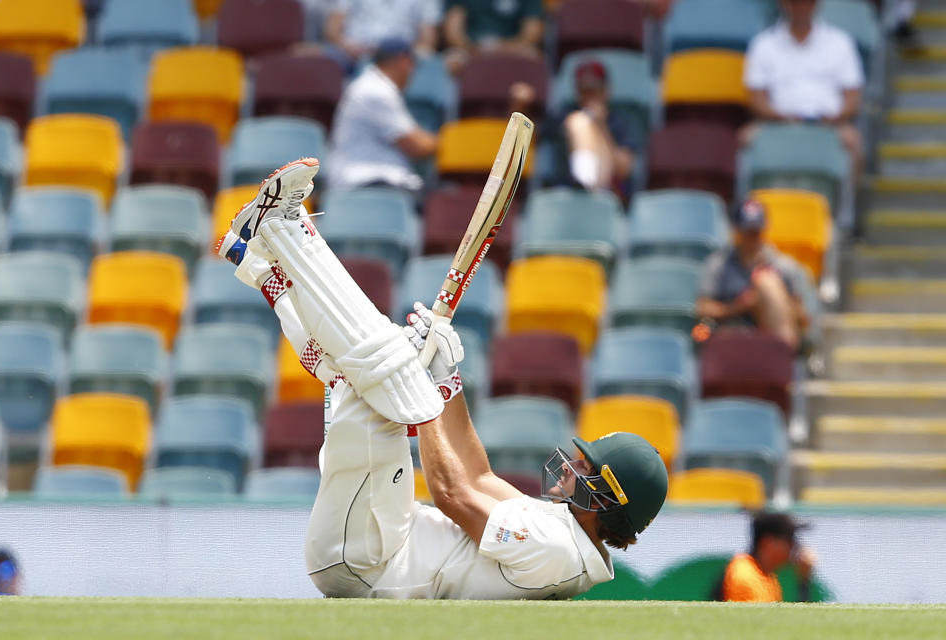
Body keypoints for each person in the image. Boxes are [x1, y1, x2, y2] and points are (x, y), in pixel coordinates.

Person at [215, 158, 669, 599]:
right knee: (352, 374)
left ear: (610, 500)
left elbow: (452, 492)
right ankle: (257, 260)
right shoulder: (560, 530)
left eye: (587, 470)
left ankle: (282, 227)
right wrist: (447, 381)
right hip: (377, 540)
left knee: (387, 360)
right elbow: (477, 473)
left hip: (371, 561)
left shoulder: (556, 551)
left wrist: (421, 387)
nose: (574, 467)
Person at [742, 0, 864, 177]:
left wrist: (835, 118)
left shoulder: (841, 42)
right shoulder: (763, 43)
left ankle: (843, 204)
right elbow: (757, 99)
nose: (801, 7)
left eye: (807, 2)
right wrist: (780, 117)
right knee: (745, 138)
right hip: (776, 123)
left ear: (816, 4)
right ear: (783, 4)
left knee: (854, 142)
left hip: (829, 124)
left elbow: (853, 99)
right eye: (795, 2)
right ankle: (753, 203)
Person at [326, 38, 436, 194]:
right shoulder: (376, 90)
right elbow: (417, 146)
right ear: (404, 61)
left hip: (374, 180)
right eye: (412, 65)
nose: (412, 72)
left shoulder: (374, 84)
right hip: (364, 181)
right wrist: (447, 140)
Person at [697, 200, 808, 352]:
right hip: (730, 332)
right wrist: (735, 307)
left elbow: (802, 317)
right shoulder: (718, 264)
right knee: (702, 330)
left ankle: (784, 355)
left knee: (767, 283)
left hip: (772, 335)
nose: (752, 237)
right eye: (747, 231)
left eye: (756, 231)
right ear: (736, 230)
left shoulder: (783, 266)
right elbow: (703, 308)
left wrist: (771, 301)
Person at [562, 59, 634, 194]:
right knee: (579, 121)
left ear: (606, 90)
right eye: (584, 90)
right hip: (570, 190)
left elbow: (623, 170)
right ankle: (583, 180)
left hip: (610, 189)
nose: (589, 97)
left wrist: (601, 125)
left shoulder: (619, 121)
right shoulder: (565, 114)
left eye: (594, 89)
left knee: (580, 121)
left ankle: (585, 179)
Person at [719, 512, 816, 602]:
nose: (795, 546)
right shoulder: (744, 575)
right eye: (789, 540)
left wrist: (803, 582)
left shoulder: (767, 576)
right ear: (768, 542)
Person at [323, 0, 441, 70]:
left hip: (398, 55)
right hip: (352, 52)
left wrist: (413, 55)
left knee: (431, 64)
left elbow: (428, 39)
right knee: (325, 59)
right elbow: (332, 29)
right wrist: (347, 46)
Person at [443, 0, 544, 57]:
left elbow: (532, 34)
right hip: (470, 48)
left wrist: (502, 49)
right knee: (453, 60)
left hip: (514, 48)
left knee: (532, 57)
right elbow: (453, 33)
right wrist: (473, 49)